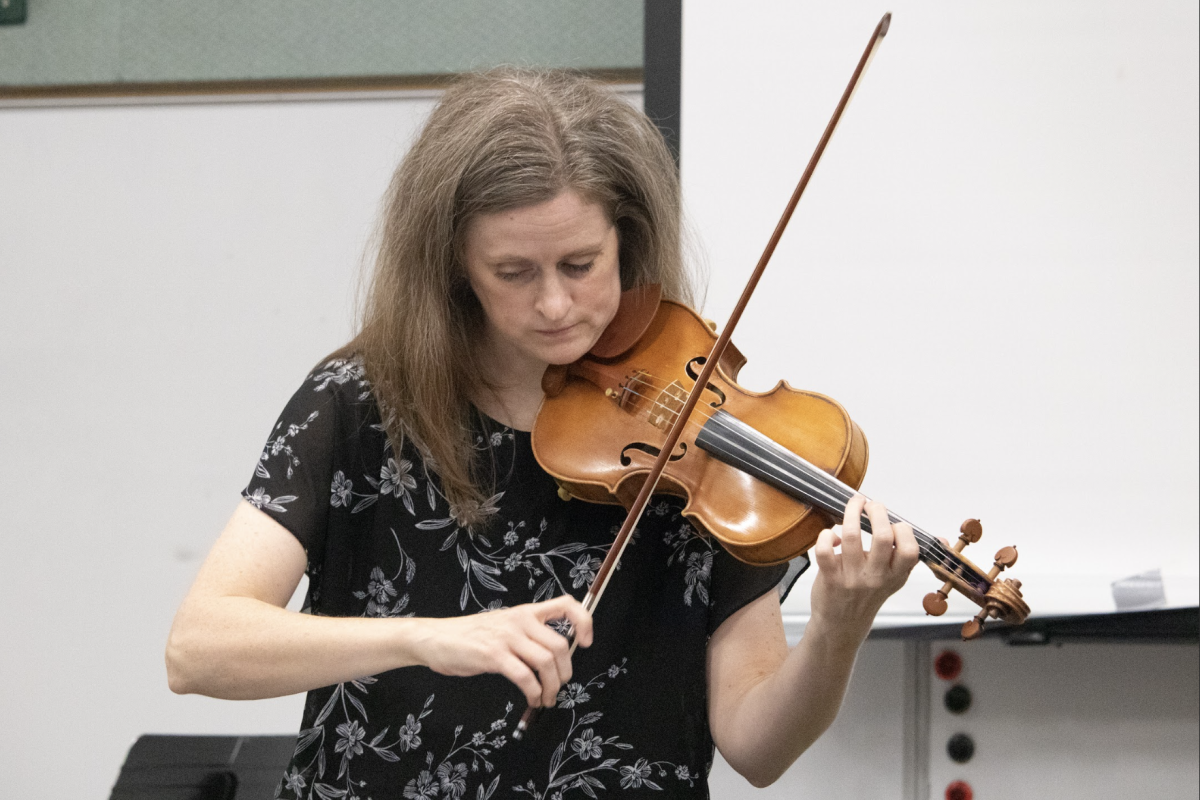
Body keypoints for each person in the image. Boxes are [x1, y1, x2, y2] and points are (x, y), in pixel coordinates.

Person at [166, 67, 920, 799]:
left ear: (626, 242)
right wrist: (427, 638)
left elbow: (758, 747)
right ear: (456, 266)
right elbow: (199, 650)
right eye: (514, 271)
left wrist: (837, 626)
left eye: (581, 264)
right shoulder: (362, 404)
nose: (556, 303)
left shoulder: (702, 441)